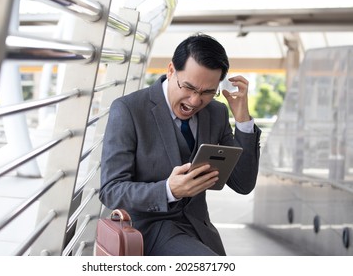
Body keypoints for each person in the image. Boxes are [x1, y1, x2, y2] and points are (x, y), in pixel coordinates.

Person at [99, 33, 261, 256]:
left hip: (200, 231)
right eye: (188, 87)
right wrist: (168, 190)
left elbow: (243, 184)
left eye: (207, 92)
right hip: (149, 232)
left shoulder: (216, 112)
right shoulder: (129, 110)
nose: (195, 101)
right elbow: (110, 190)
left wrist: (243, 121)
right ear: (171, 70)